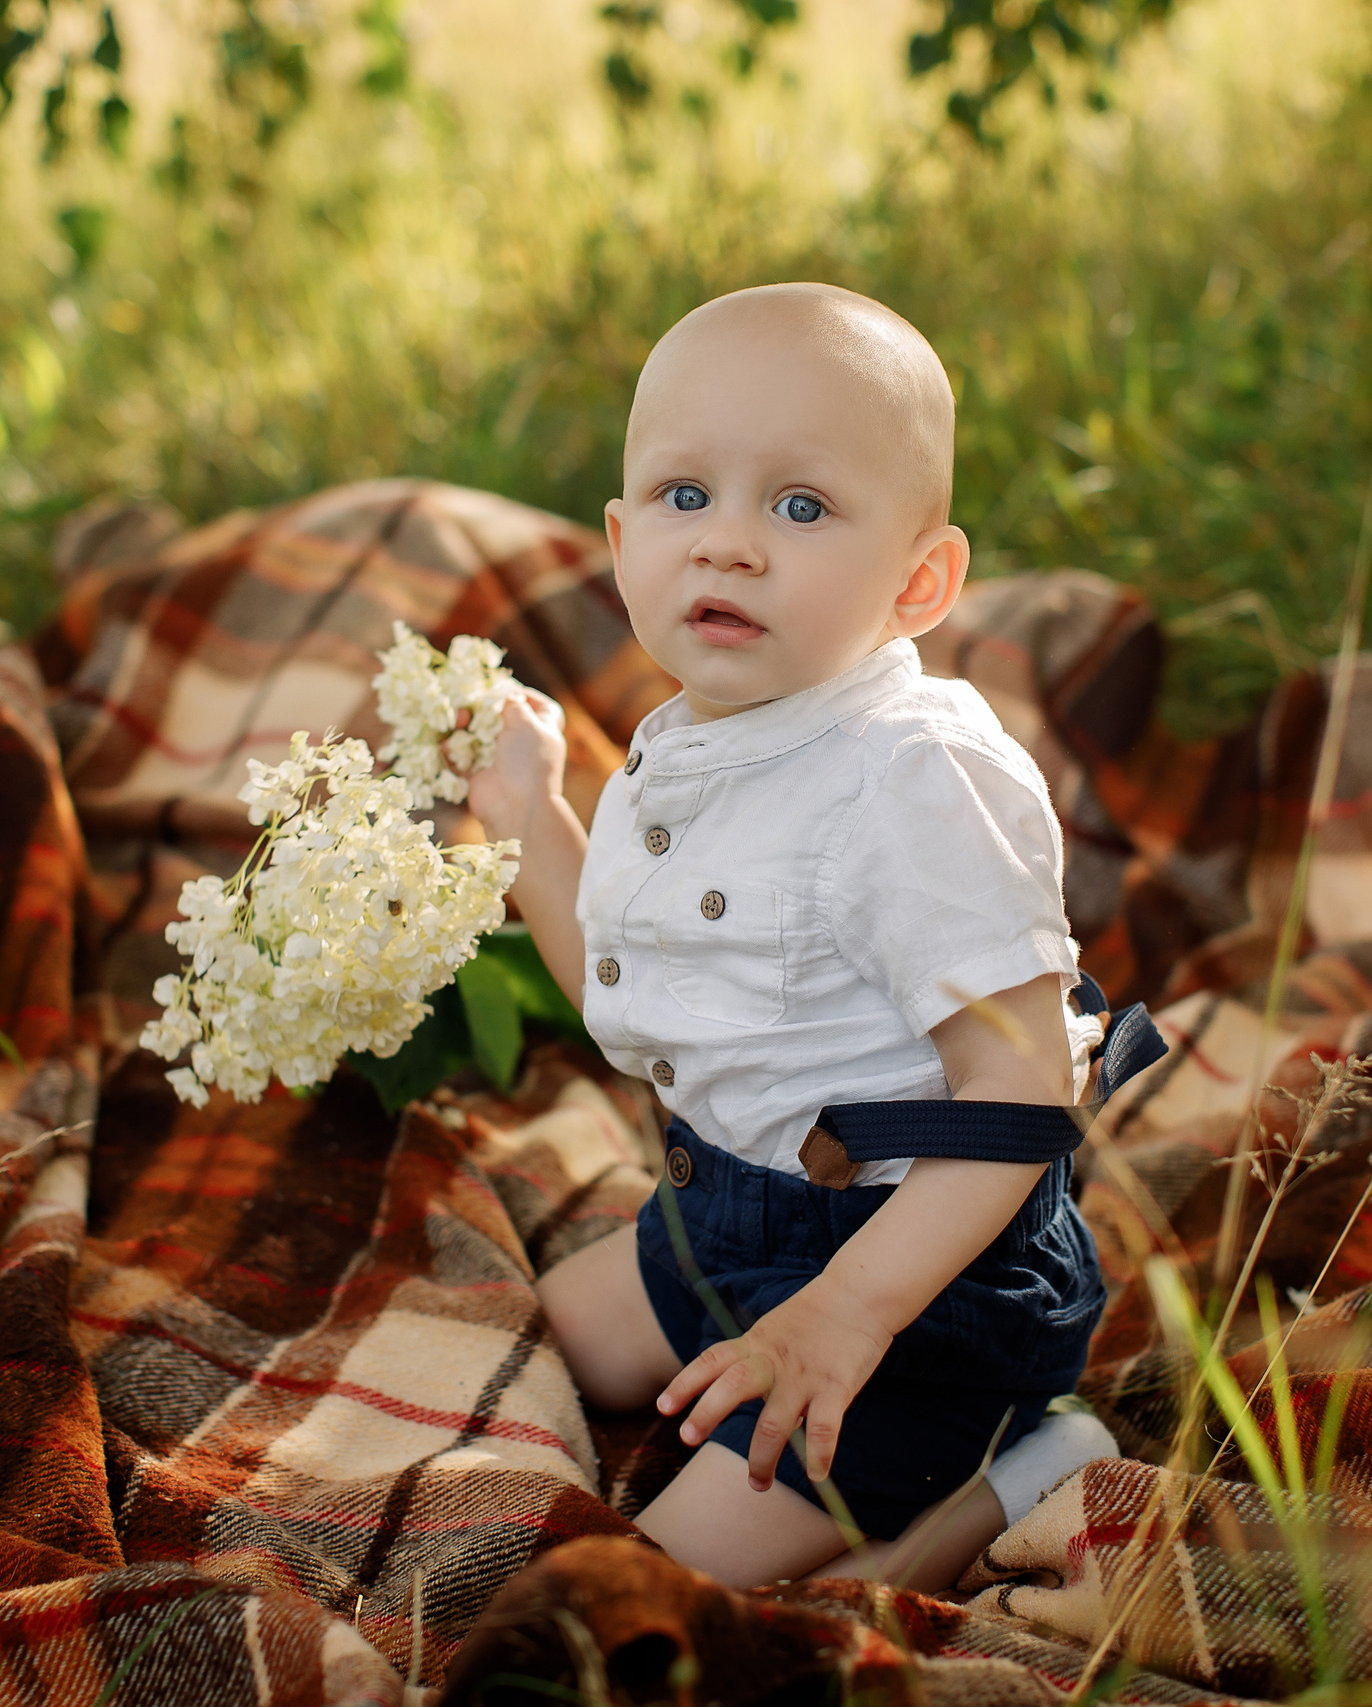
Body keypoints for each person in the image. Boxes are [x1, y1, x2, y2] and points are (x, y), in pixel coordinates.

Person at [465, 282, 1149, 1590]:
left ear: (920, 581)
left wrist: (846, 1315)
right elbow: (625, 990)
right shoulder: (689, 753)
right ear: (618, 541)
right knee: (561, 1337)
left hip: (921, 1282)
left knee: (672, 1578)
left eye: (800, 506)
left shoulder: (912, 780)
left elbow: (1022, 1092)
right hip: (735, 1215)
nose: (726, 546)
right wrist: (529, 817)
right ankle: (821, 1410)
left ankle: (1018, 1467)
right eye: (683, 497)